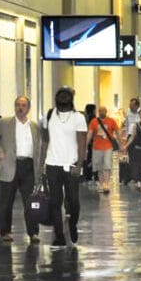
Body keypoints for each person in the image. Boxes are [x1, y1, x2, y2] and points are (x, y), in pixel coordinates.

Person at [0, 96, 43, 243]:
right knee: (6, 201)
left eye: (23, 105)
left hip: (29, 166)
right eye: (18, 105)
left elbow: (39, 148)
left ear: (28, 108)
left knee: (31, 202)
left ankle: (33, 233)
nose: (20, 108)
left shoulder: (35, 127)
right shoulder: (5, 123)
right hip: (10, 165)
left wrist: (40, 168)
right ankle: (5, 231)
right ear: (14, 107)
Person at [43, 87, 88, 247]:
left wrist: (80, 164)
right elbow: (45, 140)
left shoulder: (78, 117)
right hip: (52, 164)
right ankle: (59, 235)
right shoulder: (50, 115)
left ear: (71, 99)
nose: (63, 97)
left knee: (73, 201)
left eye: (66, 95)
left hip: (72, 165)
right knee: (55, 202)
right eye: (60, 95)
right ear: (56, 98)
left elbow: (82, 142)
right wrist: (42, 163)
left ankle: (73, 224)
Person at [86, 106, 119, 195]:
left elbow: (117, 132)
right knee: (99, 167)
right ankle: (101, 184)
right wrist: (85, 145)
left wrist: (121, 143)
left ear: (106, 111)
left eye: (103, 111)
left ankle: (106, 184)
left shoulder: (111, 121)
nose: (101, 112)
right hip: (96, 147)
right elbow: (90, 133)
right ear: (98, 112)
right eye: (100, 111)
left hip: (108, 147)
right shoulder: (94, 122)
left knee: (107, 166)